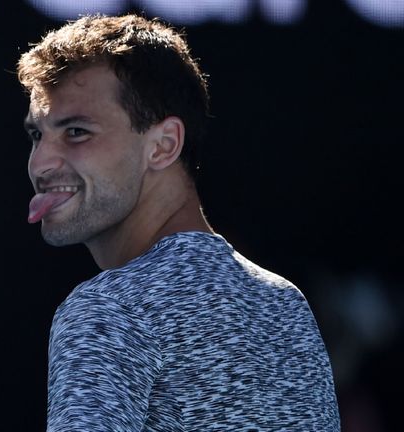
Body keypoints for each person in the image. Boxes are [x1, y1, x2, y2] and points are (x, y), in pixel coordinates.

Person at [17, 14, 340, 431]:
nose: (40, 163)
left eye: (76, 132)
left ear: (163, 145)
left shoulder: (109, 308)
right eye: (36, 136)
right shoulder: (285, 305)